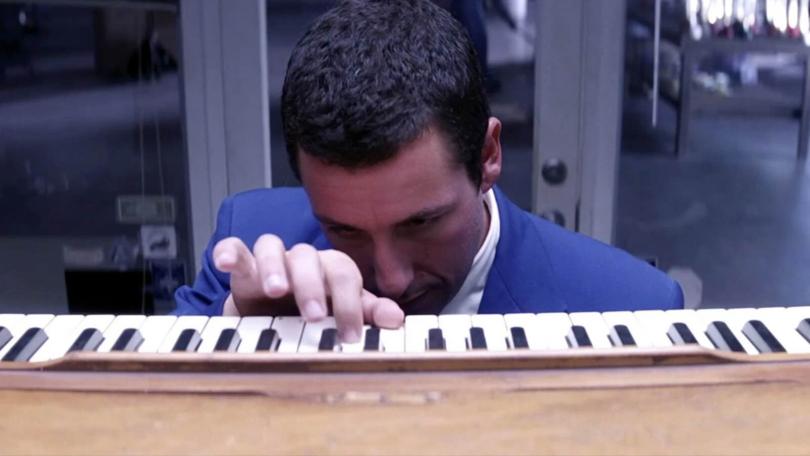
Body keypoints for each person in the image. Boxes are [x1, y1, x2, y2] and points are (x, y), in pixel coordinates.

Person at [173, 0, 683, 342]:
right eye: (344, 229)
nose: (391, 279)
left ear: (487, 155)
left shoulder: (631, 308)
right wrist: (238, 333)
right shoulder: (249, 238)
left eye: (422, 222)